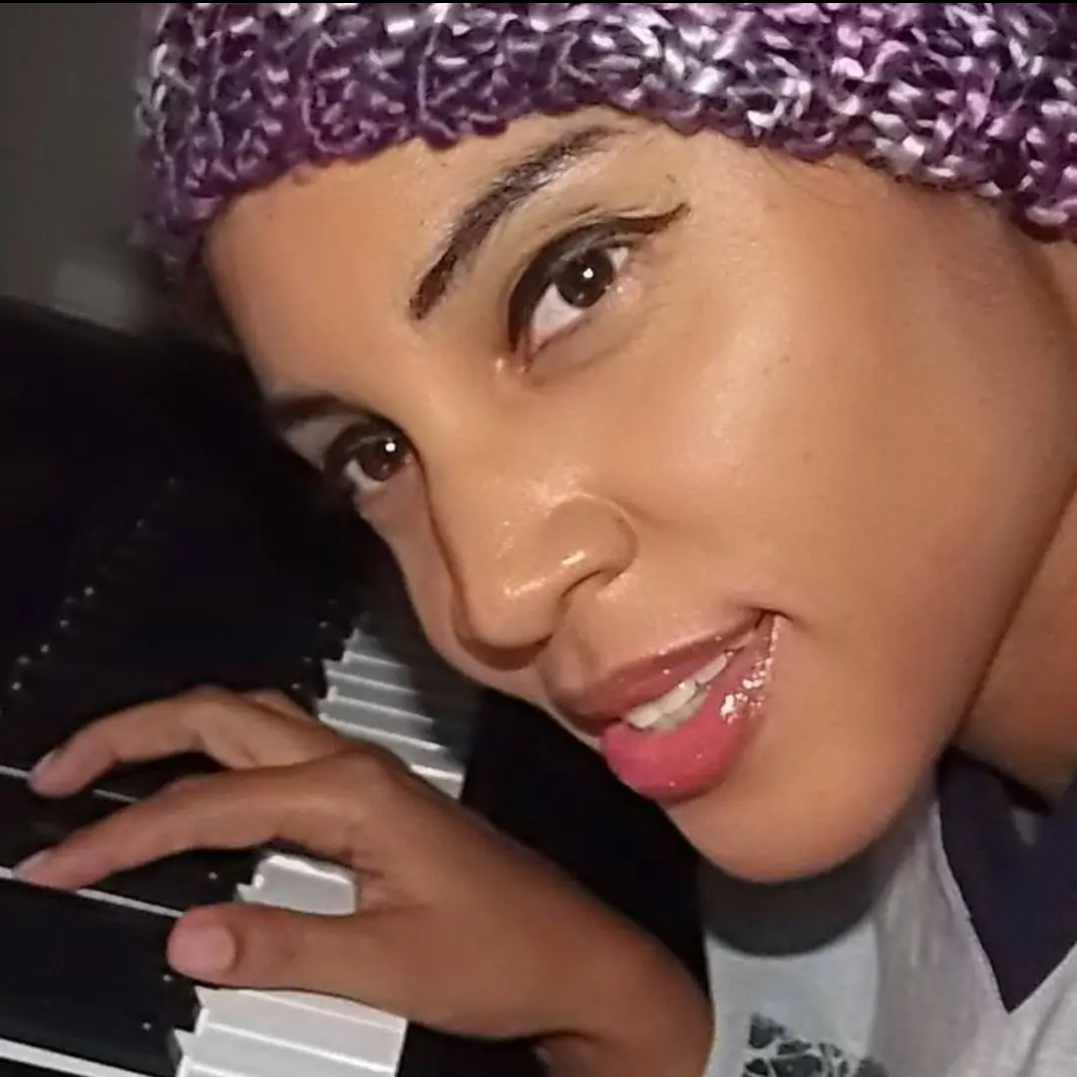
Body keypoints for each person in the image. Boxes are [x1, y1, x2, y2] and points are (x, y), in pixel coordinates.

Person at [14, 3, 1077, 1074]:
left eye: (577, 282)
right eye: (377, 451)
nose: (492, 598)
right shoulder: (900, 691)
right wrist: (605, 1000)